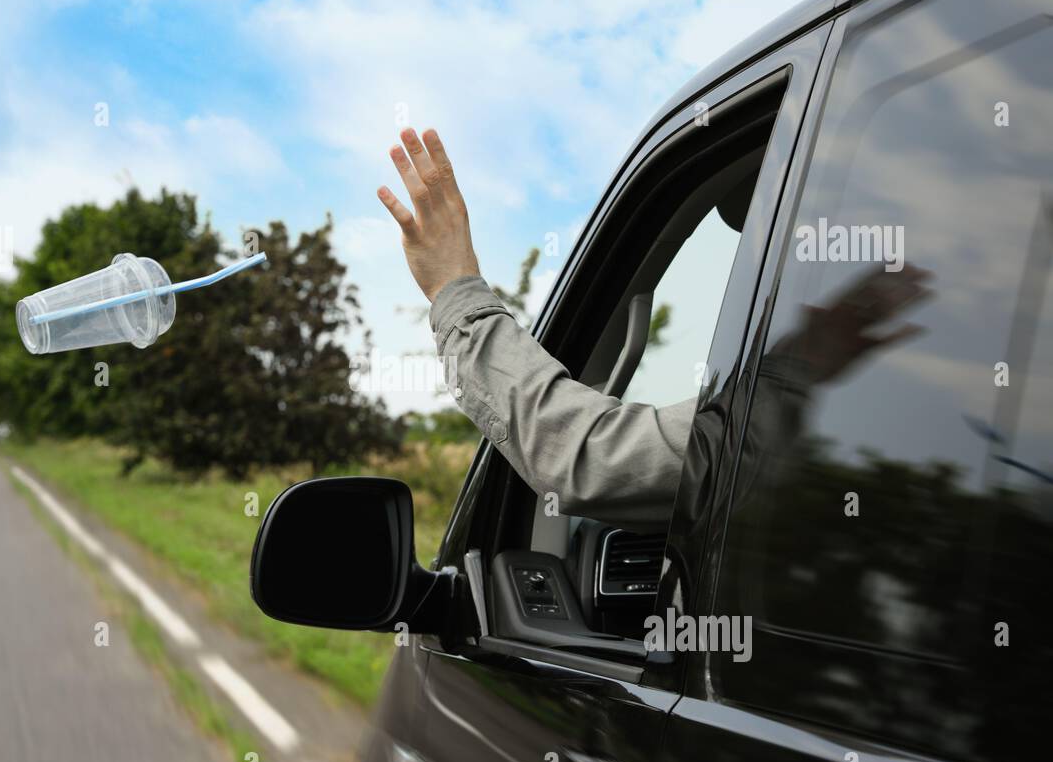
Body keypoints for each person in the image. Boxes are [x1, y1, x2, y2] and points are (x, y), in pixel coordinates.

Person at [377, 127, 932, 531]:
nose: (803, 307)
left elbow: (587, 458)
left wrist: (456, 290)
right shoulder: (908, 423)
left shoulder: (778, 427)